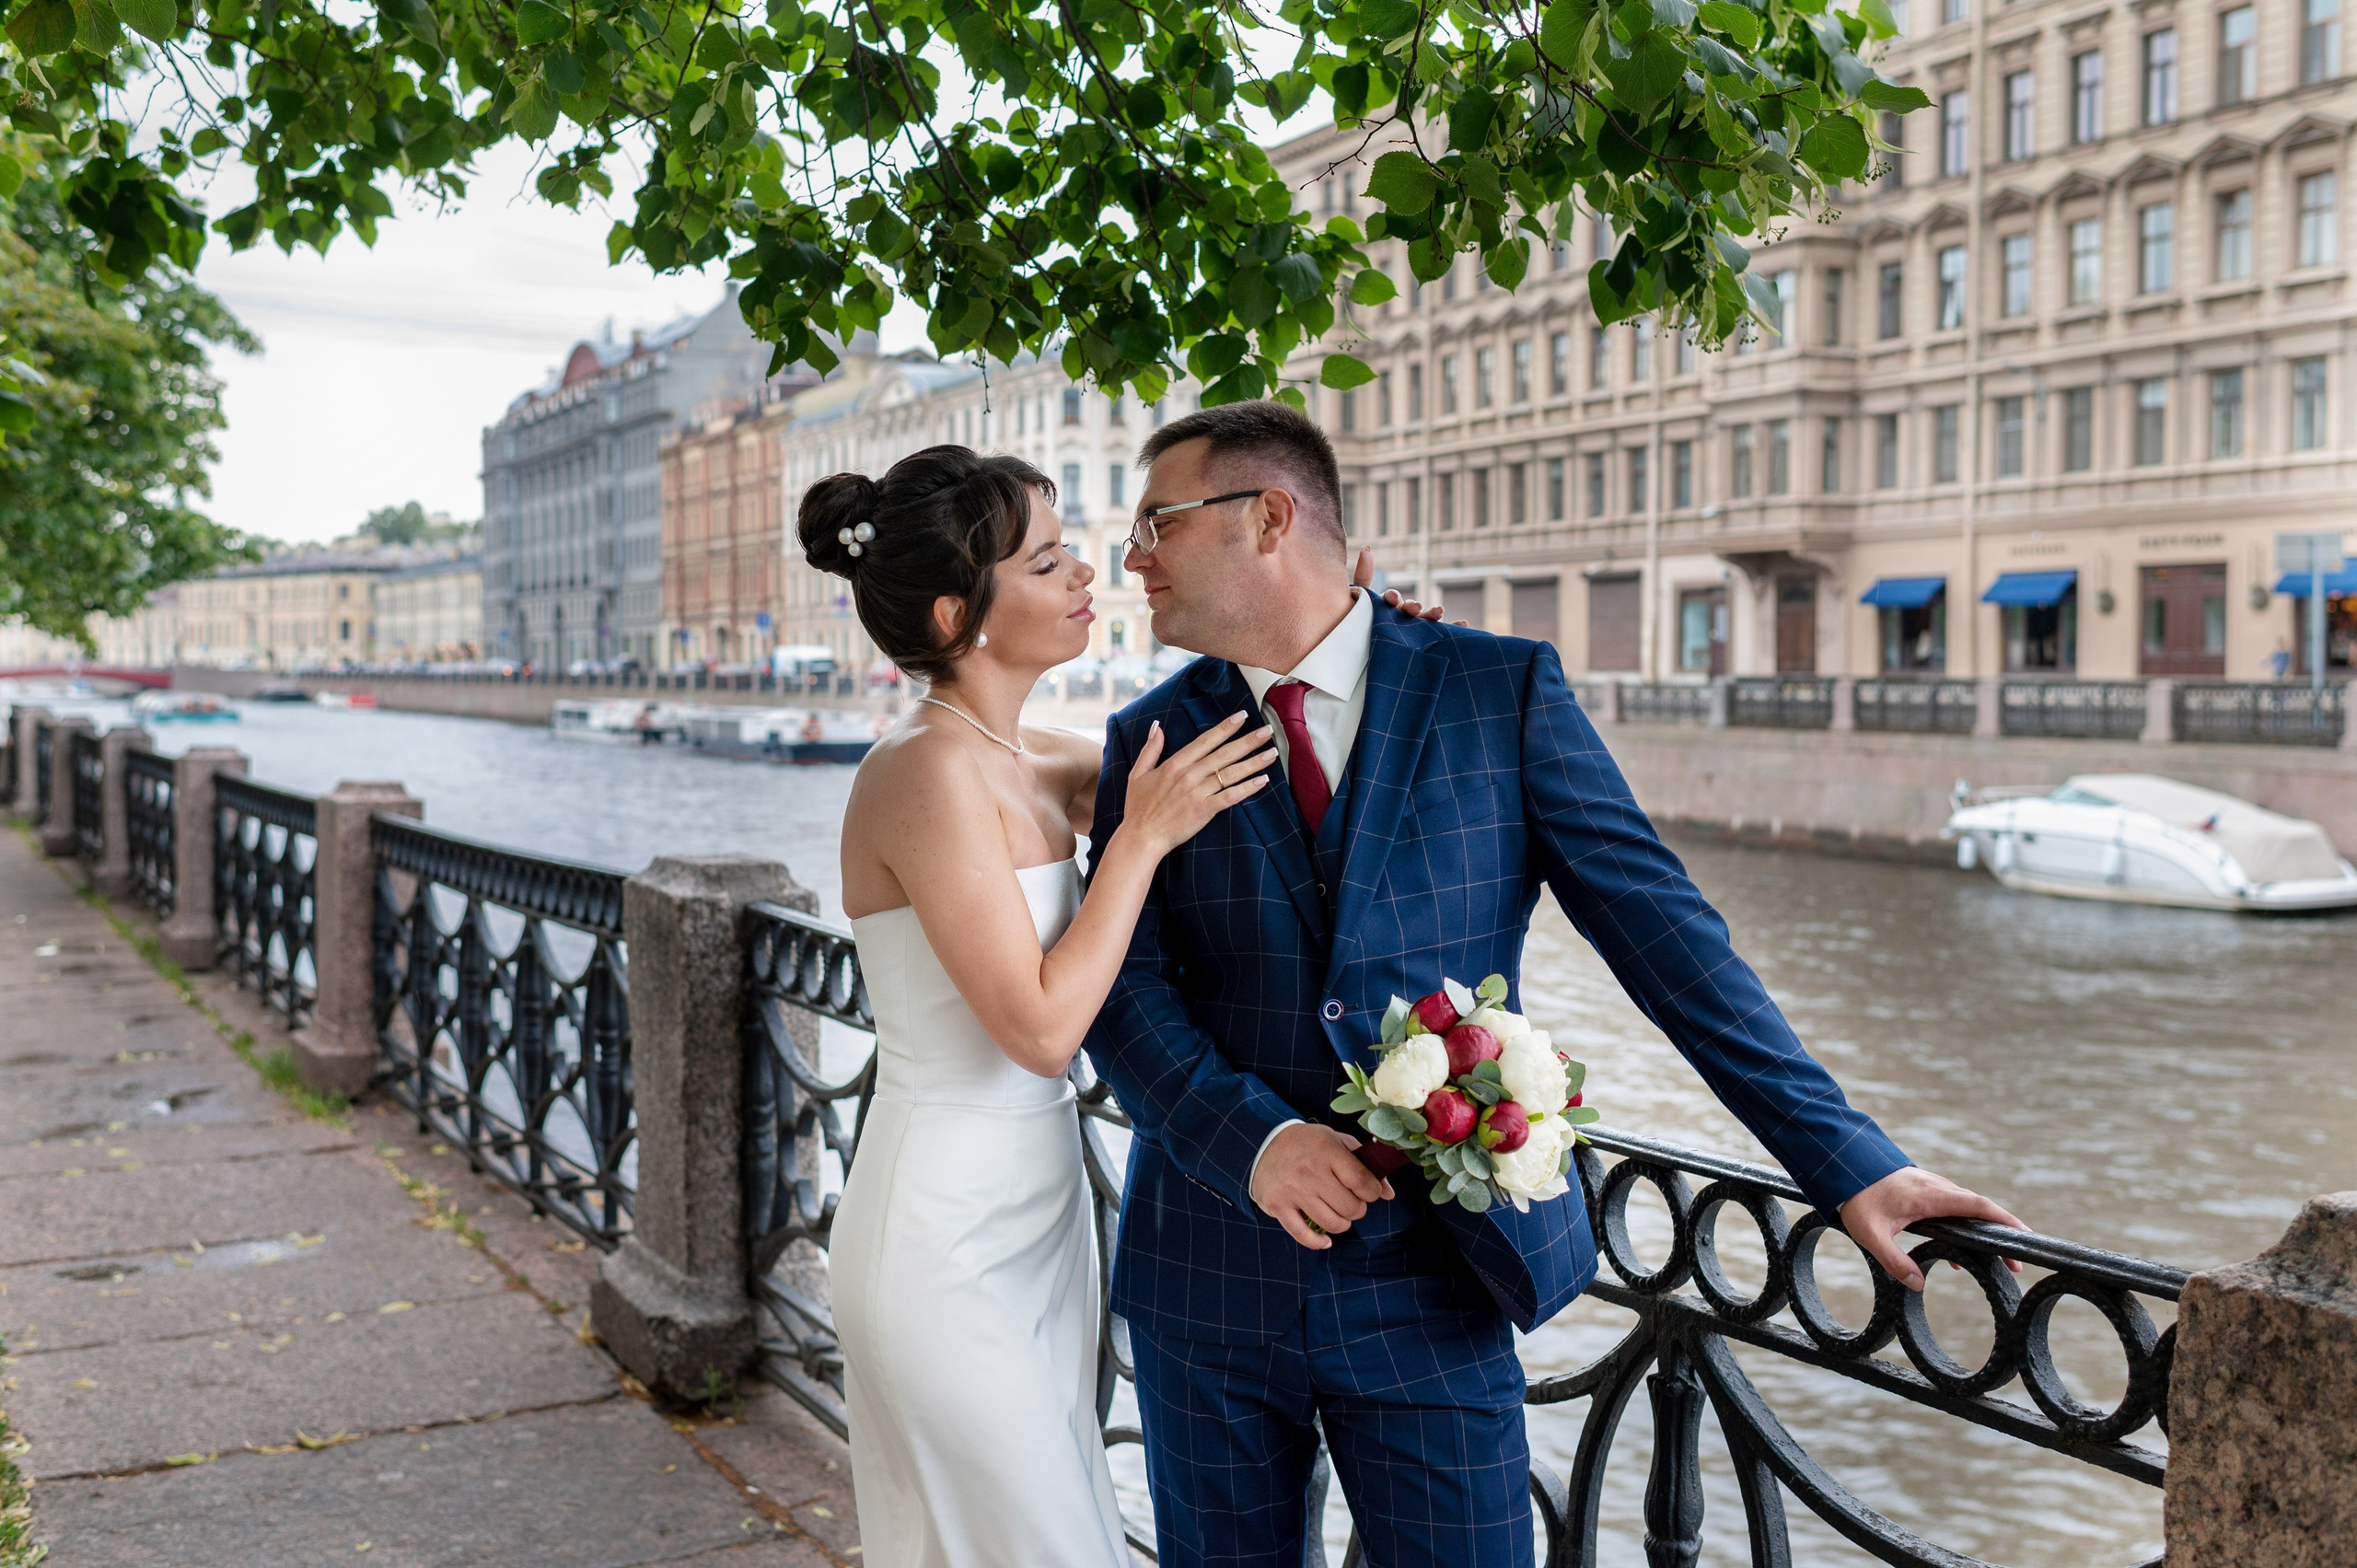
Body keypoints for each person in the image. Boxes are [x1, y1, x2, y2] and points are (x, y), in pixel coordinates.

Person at [1084, 400, 2025, 1568]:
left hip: (1436, 1280)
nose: (1131, 558)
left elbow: (1669, 942)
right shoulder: (1148, 738)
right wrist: (1253, 1142)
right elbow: (1121, 990)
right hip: (1207, 1279)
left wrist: (1848, 1159)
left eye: (1155, 523)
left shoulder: (1499, 690)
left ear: (1269, 517)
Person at [803, 446, 1431, 1567]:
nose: (1086, 571)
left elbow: (1261, 751)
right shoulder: (920, 773)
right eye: (1047, 562)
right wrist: (1135, 840)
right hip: (941, 1231)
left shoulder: (1034, 757)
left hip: (1040, 1218)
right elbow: (1041, 1029)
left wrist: (1366, 639)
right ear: (960, 613)